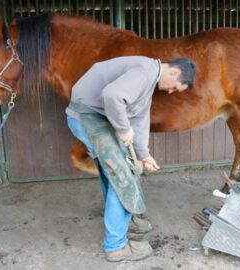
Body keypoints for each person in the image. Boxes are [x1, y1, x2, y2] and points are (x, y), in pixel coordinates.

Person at [66, 55, 196, 262]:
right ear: (175, 72)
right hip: (87, 117)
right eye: (174, 87)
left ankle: (124, 222)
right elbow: (112, 95)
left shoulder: (148, 78)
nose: (169, 92)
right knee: (122, 177)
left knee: (120, 173)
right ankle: (115, 247)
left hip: (95, 118)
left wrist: (144, 155)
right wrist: (123, 129)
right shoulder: (145, 71)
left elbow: (139, 120)